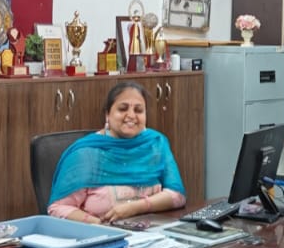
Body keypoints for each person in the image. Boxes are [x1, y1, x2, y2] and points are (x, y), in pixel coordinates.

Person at [47, 81, 186, 224]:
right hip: (101, 236)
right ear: (108, 114)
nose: (131, 115)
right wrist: (96, 224)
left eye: (138, 110)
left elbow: (177, 196)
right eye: (122, 109)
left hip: (153, 235)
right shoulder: (87, 153)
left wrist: (134, 208)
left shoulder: (156, 144)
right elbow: (58, 208)